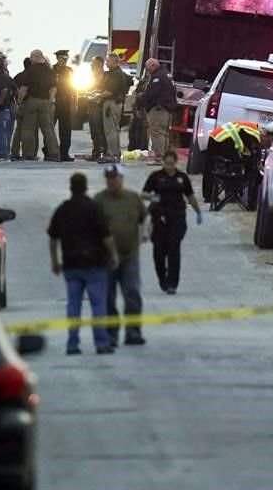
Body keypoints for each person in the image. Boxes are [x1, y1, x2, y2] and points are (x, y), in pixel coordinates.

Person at [48, 172, 120, 355]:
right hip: (95, 263)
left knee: (73, 305)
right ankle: (101, 343)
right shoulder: (93, 208)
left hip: (72, 264)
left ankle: (72, 343)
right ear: (86, 187)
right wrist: (113, 255)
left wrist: (55, 261)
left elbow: (53, 238)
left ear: (70, 187)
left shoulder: (63, 209)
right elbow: (106, 236)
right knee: (98, 305)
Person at [94, 163, 148, 347]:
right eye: (109, 178)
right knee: (108, 296)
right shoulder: (99, 201)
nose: (112, 182)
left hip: (130, 255)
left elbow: (144, 218)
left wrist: (146, 232)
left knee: (132, 293)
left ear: (121, 179)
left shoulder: (133, 198)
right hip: (107, 257)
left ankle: (133, 331)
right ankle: (111, 333)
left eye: (115, 178)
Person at [142, 150, 203, 294]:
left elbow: (190, 196)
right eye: (166, 163)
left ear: (175, 163)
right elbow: (143, 194)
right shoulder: (156, 177)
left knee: (173, 249)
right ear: (163, 162)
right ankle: (162, 278)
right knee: (159, 252)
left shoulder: (182, 178)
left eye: (171, 164)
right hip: (159, 218)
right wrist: (152, 198)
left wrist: (198, 212)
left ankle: (172, 283)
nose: (169, 166)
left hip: (177, 217)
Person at [19, 49, 60, 161]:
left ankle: (28, 154)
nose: (31, 59)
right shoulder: (49, 70)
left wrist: (19, 101)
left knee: (28, 129)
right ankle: (54, 153)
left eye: (31, 57)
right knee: (48, 129)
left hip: (32, 101)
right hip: (45, 102)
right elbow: (54, 88)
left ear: (34, 57)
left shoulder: (30, 70)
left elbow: (24, 88)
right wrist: (50, 101)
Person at [141, 57, 176, 162]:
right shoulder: (167, 74)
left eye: (148, 69)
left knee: (157, 132)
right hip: (167, 109)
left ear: (153, 65)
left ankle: (159, 157)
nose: (148, 71)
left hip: (159, 109)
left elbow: (152, 93)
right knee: (164, 134)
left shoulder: (158, 76)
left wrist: (143, 97)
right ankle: (165, 158)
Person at [100, 53, 129, 163]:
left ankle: (111, 154)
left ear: (114, 61)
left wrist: (96, 96)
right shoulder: (117, 73)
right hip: (116, 103)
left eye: (108, 61)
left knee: (110, 130)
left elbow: (109, 91)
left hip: (111, 103)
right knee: (115, 130)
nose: (106, 63)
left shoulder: (115, 74)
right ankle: (116, 153)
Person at [52, 49, 75, 162]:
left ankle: (64, 153)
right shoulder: (51, 70)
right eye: (62, 58)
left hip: (66, 103)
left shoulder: (70, 71)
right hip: (54, 102)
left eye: (66, 59)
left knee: (66, 130)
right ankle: (50, 152)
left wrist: (75, 103)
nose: (65, 61)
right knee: (50, 129)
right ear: (57, 58)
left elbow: (74, 88)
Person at [10, 57, 31, 161]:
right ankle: (26, 154)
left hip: (19, 105)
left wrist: (16, 101)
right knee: (28, 130)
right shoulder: (31, 76)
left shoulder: (18, 76)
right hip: (28, 104)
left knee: (18, 130)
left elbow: (12, 89)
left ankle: (14, 153)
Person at [87, 56, 107, 160]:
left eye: (93, 63)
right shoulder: (93, 76)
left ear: (99, 64)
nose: (91, 65)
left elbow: (105, 90)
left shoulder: (105, 76)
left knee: (100, 130)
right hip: (91, 106)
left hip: (99, 106)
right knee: (94, 131)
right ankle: (95, 152)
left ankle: (103, 153)